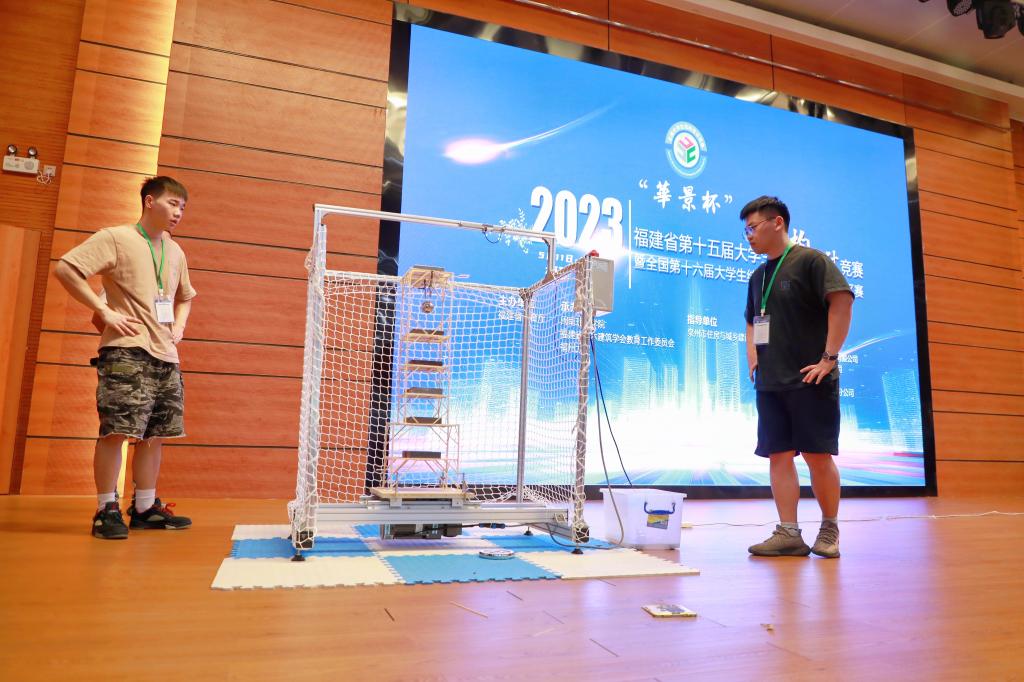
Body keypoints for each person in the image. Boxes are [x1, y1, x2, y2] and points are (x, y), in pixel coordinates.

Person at [54, 176, 197, 539]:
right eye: (172, 203)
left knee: (156, 434)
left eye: (182, 207)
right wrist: (104, 310)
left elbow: (185, 296)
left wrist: (179, 326)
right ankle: (106, 510)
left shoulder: (176, 252)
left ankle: (145, 508)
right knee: (116, 431)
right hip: (126, 350)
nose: (178, 212)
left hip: (166, 355)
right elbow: (67, 269)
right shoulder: (116, 237)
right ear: (149, 201)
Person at [741, 196, 853, 559]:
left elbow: (842, 300)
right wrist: (753, 356)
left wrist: (829, 358)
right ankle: (788, 532)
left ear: (777, 223)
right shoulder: (758, 276)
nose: (749, 236)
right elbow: (752, 320)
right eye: (745, 231)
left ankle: (829, 528)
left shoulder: (811, 261)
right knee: (778, 455)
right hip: (771, 381)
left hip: (810, 378)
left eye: (753, 228)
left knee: (818, 456)